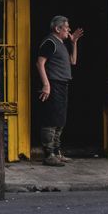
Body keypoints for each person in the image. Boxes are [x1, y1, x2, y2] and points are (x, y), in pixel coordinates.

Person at [35, 15, 83, 167]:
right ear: (57, 28)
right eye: (66, 27)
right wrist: (46, 85)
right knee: (50, 120)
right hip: (53, 84)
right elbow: (40, 63)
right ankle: (49, 154)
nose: (69, 30)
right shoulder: (50, 42)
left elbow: (73, 61)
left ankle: (57, 152)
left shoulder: (61, 43)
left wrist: (74, 43)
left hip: (62, 85)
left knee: (60, 120)